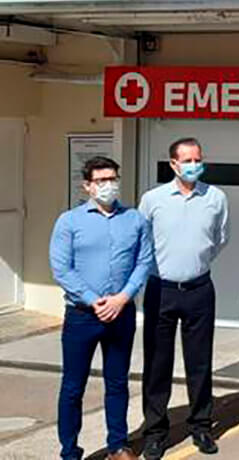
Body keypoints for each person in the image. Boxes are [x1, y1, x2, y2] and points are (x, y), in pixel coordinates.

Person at [50, 156, 153, 460]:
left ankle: (118, 446)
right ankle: (70, 451)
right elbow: (61, 268)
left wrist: (123, 297)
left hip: (121, 314)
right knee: (73, 387)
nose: (108, 185)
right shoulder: (69, 221)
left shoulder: (135, 219)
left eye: (112, 179)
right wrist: (93, 299)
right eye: (101, 181)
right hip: (82, 316)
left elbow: (144, 261)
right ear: (87, 186)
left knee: (118, 383)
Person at [139, 138, 229, 459]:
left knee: (200, 362)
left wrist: (194, 263)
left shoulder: (216, 198)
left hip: (199, 290)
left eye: (198, 159)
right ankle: (155, 432)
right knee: (157, 364)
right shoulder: (153, 199)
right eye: (187, 160)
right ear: (173, 164)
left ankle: (201, 427)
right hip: (160, 290)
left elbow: (220, 239)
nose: (194, 165)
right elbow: (142, 241)